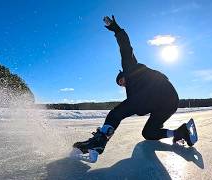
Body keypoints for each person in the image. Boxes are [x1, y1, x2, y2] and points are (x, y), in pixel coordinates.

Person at [73, 16, 195, 157]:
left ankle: (99, 141)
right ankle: (180, 132)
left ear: (124, 74)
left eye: (121, 80)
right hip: (168, 104)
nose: (123, 84)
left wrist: (117, 30)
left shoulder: (130, 67)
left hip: (161, 93)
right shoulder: (133, 90)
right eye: (121, 85)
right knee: (148, 133)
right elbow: (139, 108)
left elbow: (125, 46)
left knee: (116, 113)